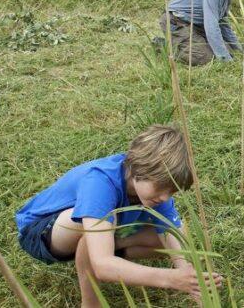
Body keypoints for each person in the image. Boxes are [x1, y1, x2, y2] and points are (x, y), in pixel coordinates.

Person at [15, 125, 222, 307]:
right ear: (139, 168)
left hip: (106, 226)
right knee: (92, 238)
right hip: (41, 231)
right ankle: (91, 304)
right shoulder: (100, 182)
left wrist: (195, 285)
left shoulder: (155, 190)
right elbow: (102, 266)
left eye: (172, 191)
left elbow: (175, 240)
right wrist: (171, 278)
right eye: (161, 188)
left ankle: (109, 248)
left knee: (175, 234)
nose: (165, 197)